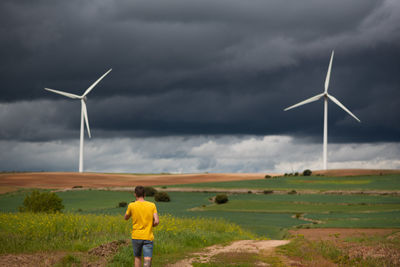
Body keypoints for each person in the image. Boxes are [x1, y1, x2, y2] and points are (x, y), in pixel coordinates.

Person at [125, 186, 159, 267]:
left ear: (135, 194)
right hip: (148, 236)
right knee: (147, 258)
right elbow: (157, 221)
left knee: (137, 257)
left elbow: (126, 218)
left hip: (136, 236)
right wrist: (151, 225)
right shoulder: (152, 205)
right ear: (144, 194)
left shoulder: (131, 205)